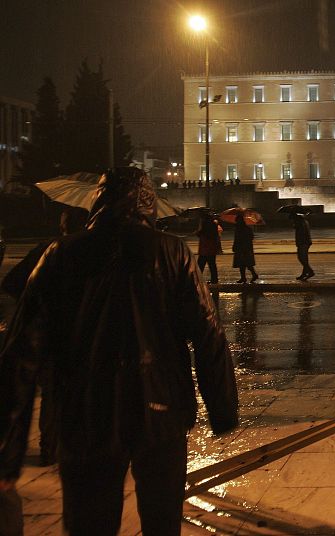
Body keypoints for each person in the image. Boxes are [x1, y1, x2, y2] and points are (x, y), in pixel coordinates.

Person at [0, 167, 239, 536]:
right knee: (161, 521)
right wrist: (221, 410)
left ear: (98, 201)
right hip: (160, 410)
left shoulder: (60, 254)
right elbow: (208, 334)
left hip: (85, 413)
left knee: (89, 523)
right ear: (148, 205)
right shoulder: (173, 252)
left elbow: (20, 356)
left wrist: (9, 452)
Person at [0, 210, 87, 468]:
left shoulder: (45, 250)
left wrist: (35, 304)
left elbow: (12, 282)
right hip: (83, 333)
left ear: (63, 227)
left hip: (50, 333)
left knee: (52, 392)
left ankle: (50, 448)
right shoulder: (95, 254)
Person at [196, 213, 223, 284]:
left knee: (200, 265)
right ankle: (214, 279)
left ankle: (198, 279)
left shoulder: (204, 226)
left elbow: (199, 234)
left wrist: (200, 225)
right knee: (212, 265)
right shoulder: (213, 225)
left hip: (204, 249)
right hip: (211, 249)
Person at [233, 212, 259, 283]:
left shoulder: (240, 229)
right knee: (245, 263)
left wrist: (235, 246)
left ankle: (249, 276)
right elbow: (251, 237)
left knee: (244, 263)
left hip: (242, 248)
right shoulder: (246, 228)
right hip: (245, 248)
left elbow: (237, 239)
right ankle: (246, 277)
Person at [290, 212, 315, 280]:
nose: (292, 220)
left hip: (303, 242)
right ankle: (304, 274)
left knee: (301, 258)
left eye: (292, 219)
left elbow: (301, 232)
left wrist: (295, 225)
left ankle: (310, 272)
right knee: (304, 259)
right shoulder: (303, 221)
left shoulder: (300, 222)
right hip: (304, 242)